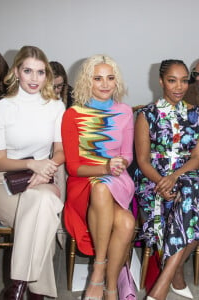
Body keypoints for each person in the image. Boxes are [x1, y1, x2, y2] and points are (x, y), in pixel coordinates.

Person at [0, 45, 65, 300]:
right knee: (43, 214)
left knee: (41, 201)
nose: (34, 78)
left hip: (42, 179)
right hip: (0, 182)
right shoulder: (0, 109)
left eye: (40, 72)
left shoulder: (55, 107)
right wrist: (31, 165)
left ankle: (16, 287)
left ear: (46, 75)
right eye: (28, 71)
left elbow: (60, 151)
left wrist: (45, 168)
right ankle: (35, 293)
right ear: (17, 71)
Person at [134, 59, 199, 300]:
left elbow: (198, 158)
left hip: (186, 173)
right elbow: (142, 160)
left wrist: (173, 178)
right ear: (161, 82)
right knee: (195, 209)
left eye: (184, 80)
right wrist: (162, 182)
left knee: (191, 189)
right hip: (152, 178)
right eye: (172, 80)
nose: (179, 86)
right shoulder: (146, 115)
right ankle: (176, 272)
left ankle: (165, 279)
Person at [61, 54, 135, 300]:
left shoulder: (125, 112)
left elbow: (127, 156)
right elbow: (73, 167)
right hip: (83, 181)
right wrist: (105, 167)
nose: (105, 84)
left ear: (117, 81)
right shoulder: (72, 114)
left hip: (117, 178)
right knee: (125, 223)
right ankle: (105, 279)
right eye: (98, 78)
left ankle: (104, 280)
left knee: (106, 190)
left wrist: (118, 164)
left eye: (110, 78)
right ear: (87, 82)